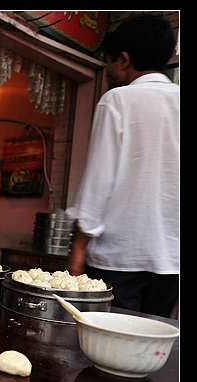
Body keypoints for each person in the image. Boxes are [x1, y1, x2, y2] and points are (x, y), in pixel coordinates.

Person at [67, 14, 178, 317]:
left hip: (118, 258)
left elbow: (99, 181)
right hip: (171, 263)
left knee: (108, 346)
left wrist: (78, 247)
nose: (107, 70)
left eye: (108, 62)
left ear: (124, 60)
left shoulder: (118, 100)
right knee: (147, 348)